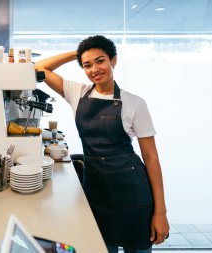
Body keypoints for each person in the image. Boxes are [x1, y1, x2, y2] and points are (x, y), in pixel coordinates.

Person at [35, 35, 169, 253]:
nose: (94, 69)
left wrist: (160, 212)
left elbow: (151, 158)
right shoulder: (76, 93)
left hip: (133, 193)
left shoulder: (134, 103)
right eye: (87, 65)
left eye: (100, 60)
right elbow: (38, 68)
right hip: (96, 193)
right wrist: (76, 54)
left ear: (113, 61)